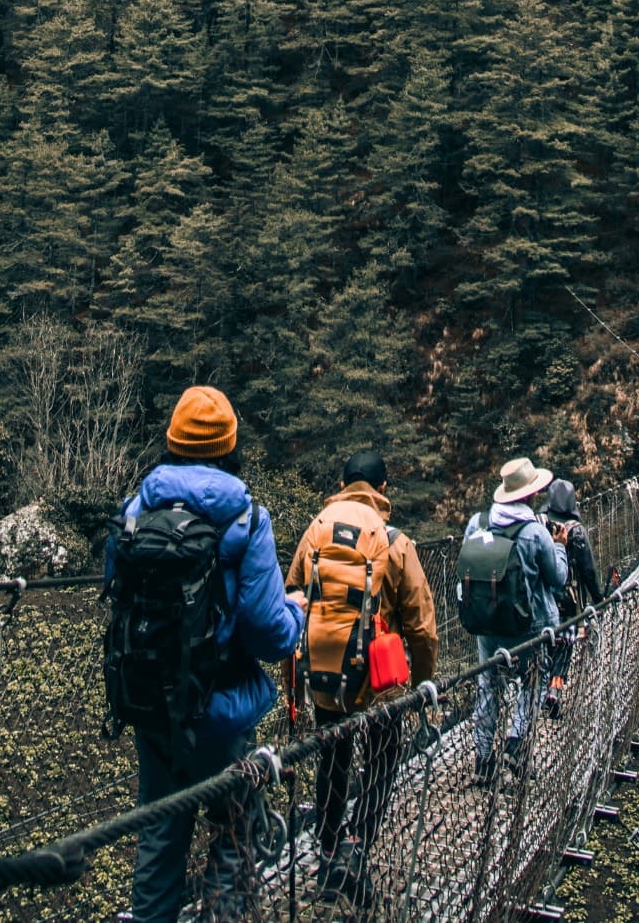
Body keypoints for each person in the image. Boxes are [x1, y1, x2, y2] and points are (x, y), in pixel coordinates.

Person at [105, 385, 305, 923]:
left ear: (171, 442)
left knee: (159, 835)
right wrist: (298, 613)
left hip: (151, 706)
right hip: (222, 716)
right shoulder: (245, 520)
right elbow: (270, 635)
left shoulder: (135, 511)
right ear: (230, 445)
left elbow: (115, 593)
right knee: (237, 829)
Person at [284, 451, 438, 910]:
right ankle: (356, 846)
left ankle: (329, 849)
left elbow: (292, 596)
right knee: (382, 764)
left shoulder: (315, 531)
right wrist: (422, 687)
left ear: (343, 483)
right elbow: (422, 626)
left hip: (326, 677)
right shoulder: (394, 541)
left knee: (333, 763)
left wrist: (295, 677)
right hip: (378, 683)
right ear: (382, 490)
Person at [462, 457, 568, 784]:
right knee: (533, 683)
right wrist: (560, 547)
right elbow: (557, 578)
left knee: (489, 686)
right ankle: (516, 743)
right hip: (530, 627)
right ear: (531, 495)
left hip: (488, 625)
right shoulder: (536, 532)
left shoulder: (477, 523)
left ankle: (482, 759)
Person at [540, 478, 604, 718]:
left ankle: (540, 689)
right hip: (569, 596)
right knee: (565, 643)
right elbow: (588, 569)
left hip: (544, 593)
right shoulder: (575, 530)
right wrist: (599, 598)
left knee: (545, 642)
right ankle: (554, 690)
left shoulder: (539, 524)